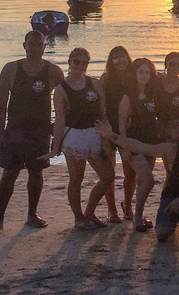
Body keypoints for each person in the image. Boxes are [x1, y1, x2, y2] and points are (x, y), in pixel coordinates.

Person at [0, 30, 64, 236]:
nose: (35, 48)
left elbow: (64, 102)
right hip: (14, 131)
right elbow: (1, 104)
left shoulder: (53, 71)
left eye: (39, 44)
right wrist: (0, 132)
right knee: (9, 174)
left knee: (36, 173)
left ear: (44, 47)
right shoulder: (11, 69)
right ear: (24, 45)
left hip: (39, 131)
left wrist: (59, 130)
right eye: (31, 44)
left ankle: (32, 214)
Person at [96, 117, 179, 242]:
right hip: (172, 197)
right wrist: (111, 135)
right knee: (162, 235)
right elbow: (141, 147)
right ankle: (172, 219)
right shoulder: (172, 150)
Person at [51, 47, 114, 230]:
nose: (80, 66)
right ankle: (79, 218)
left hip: (94, 134)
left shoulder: (94, 84)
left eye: (84, 62)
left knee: (108, 175)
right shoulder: (61, 89)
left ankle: (89, 212)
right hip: (74, 136)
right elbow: (60, 119)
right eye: (76, 62)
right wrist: (56, 146)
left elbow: (103, 113)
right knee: (76, 178)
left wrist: (106, 136)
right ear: (70, 62)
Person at [118, 58, 160, 232]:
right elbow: (121, 125)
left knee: (141, 180)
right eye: (141, 72)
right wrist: (125, 147)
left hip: (150, 144)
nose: (144, 75)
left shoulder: (154, 95)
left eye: (147, 72)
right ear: (134, 74)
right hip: (133, 144)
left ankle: (136, 213)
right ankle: (136, 217)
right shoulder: (128, 97)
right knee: (148, 180)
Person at [100, 45, 134, 224]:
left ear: (128, 58)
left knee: (130, 172)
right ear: (111, 61)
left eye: (123, 57)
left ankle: (127, 207)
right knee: (109, 171)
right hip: (109, 128)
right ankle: (112, 210)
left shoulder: (133, 76)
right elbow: (101, 104)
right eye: (116, 57)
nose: (120, 60)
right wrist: (105, 125)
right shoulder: (106, 78)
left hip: (128, 128)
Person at [156, 52, 179, 175]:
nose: (174, 68)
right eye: (172, 64)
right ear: (166, 64)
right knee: (169, 169)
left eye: (178, 65)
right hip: (163, 127)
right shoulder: (157, 82)